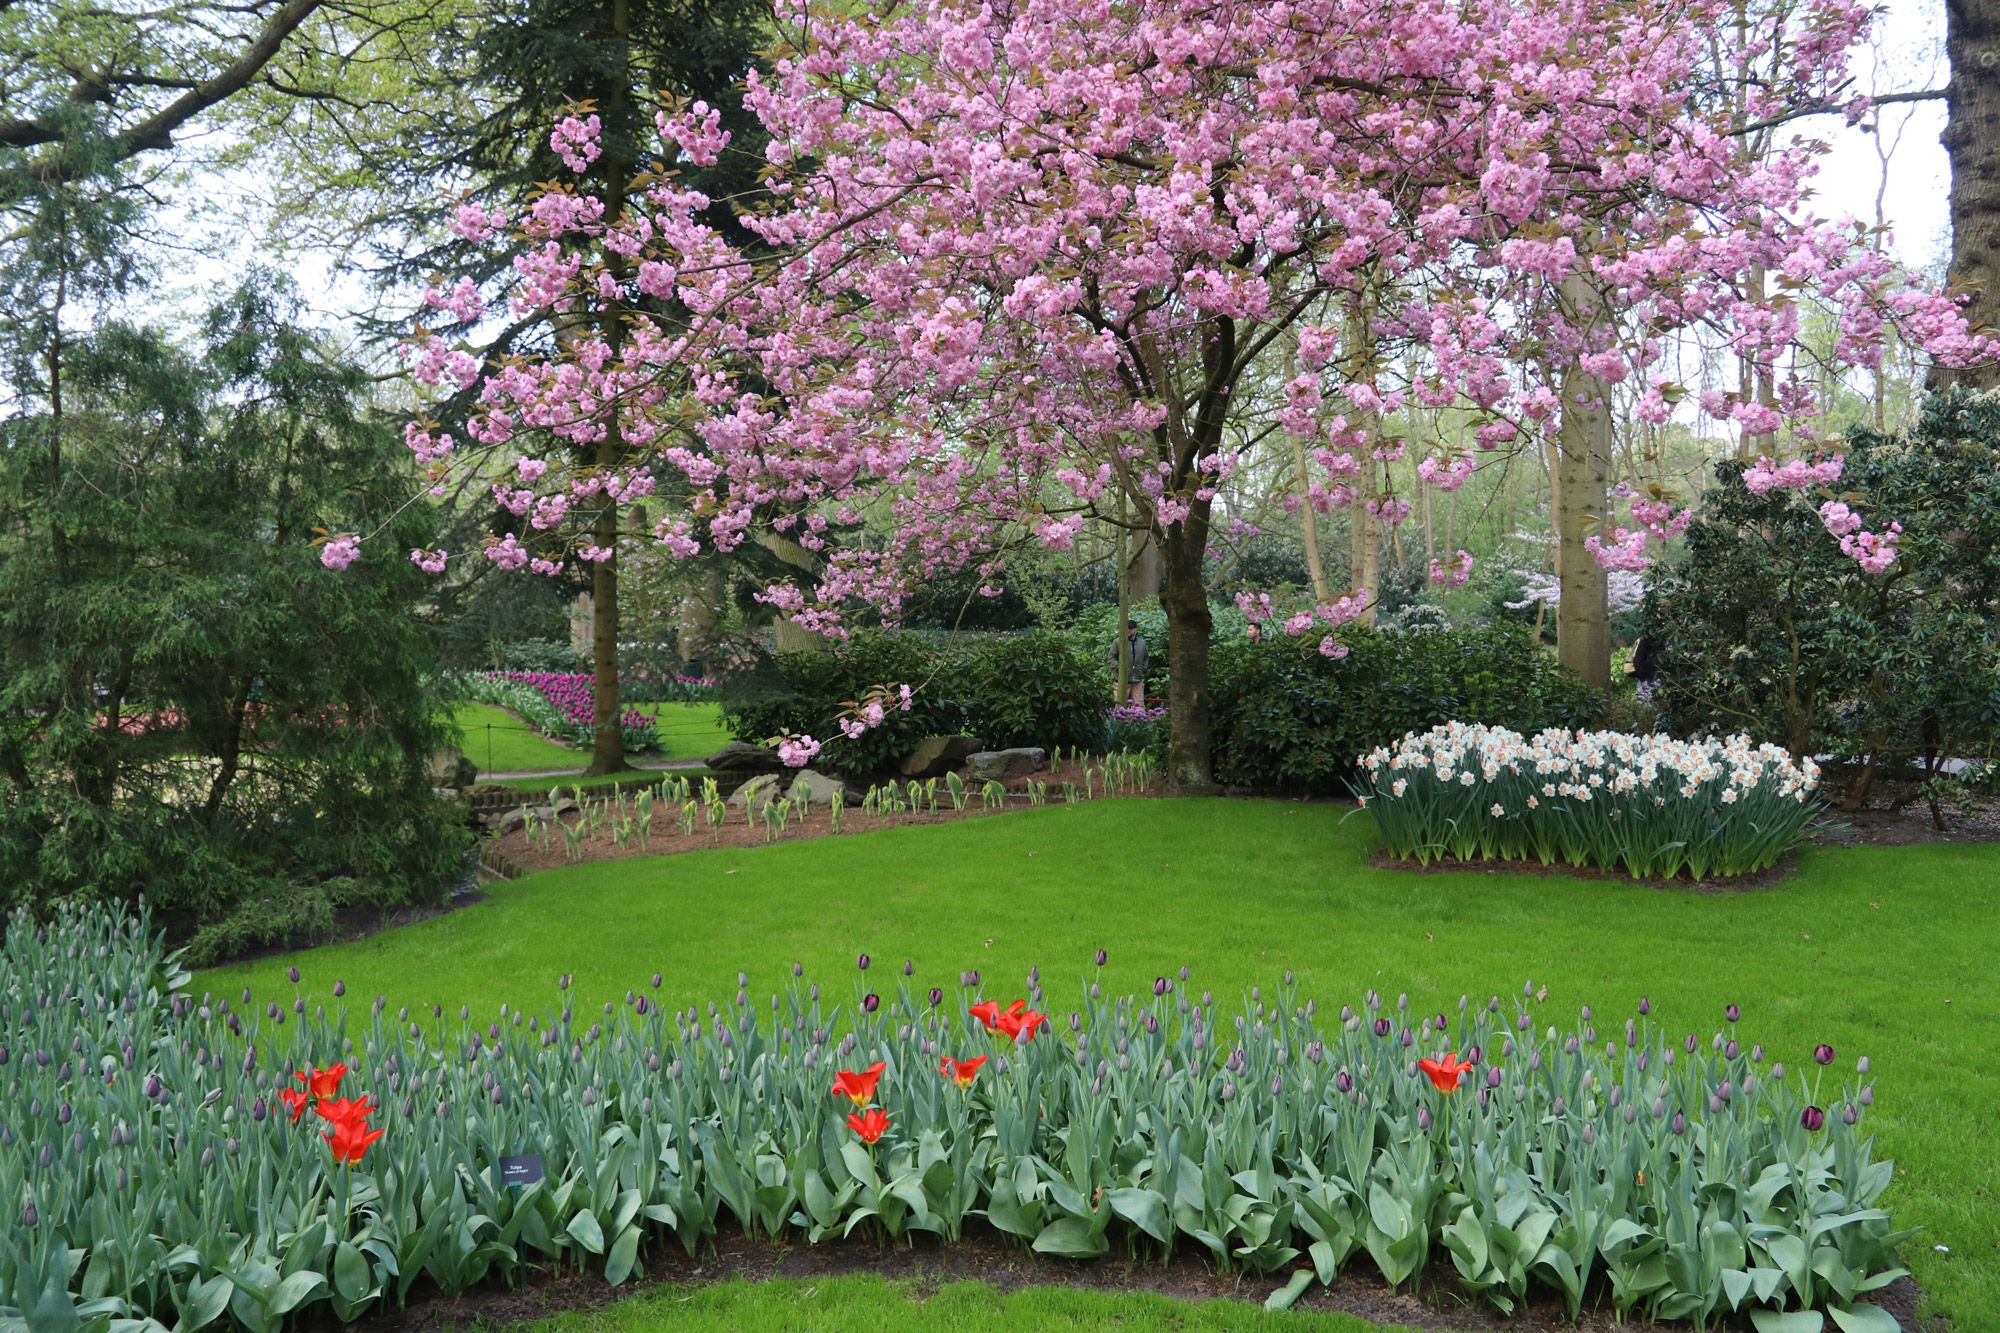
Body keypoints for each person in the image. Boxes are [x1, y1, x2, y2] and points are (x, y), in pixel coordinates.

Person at [1108, 619, 1149, 705]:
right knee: (1119, 708)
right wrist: (1119, 669)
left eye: (1130, 628)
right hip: (1121, 682)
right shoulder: (1118, 642)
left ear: (1136, 629)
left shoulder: (1142, 643)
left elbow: (1146, 658)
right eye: (1126, 628)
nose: (1128, 630)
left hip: (1137, 681)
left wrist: (1143, 669)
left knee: (1139, 710)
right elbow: (1111, 657)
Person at [1629, 635, 1659, 706]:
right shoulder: (1647, 639)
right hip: (1647, 680)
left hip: (1659, 679)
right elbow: (1638, 660)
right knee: (1645, 706)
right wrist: (1643, 679)